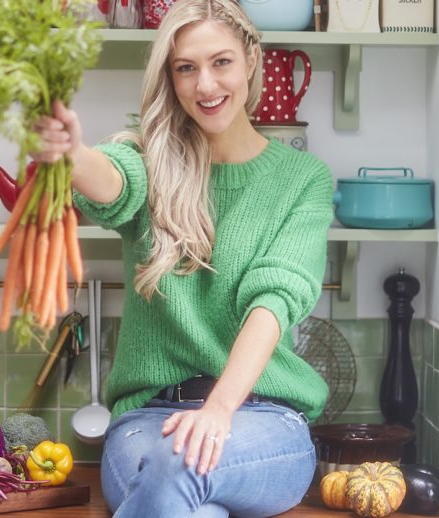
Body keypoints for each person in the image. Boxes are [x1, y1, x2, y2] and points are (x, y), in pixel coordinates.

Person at [32, 0, 333, 515]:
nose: (206, 86)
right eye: (185, 69)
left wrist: (217, 411)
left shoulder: (303, 180)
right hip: (147, 419)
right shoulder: (152, 161)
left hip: (263, 422)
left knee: (180, 463)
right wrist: (73, 154)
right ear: (169, 79)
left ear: (251, 59)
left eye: (221, 62)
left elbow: (273, 303)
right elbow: (113, 182)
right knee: (193, 501)